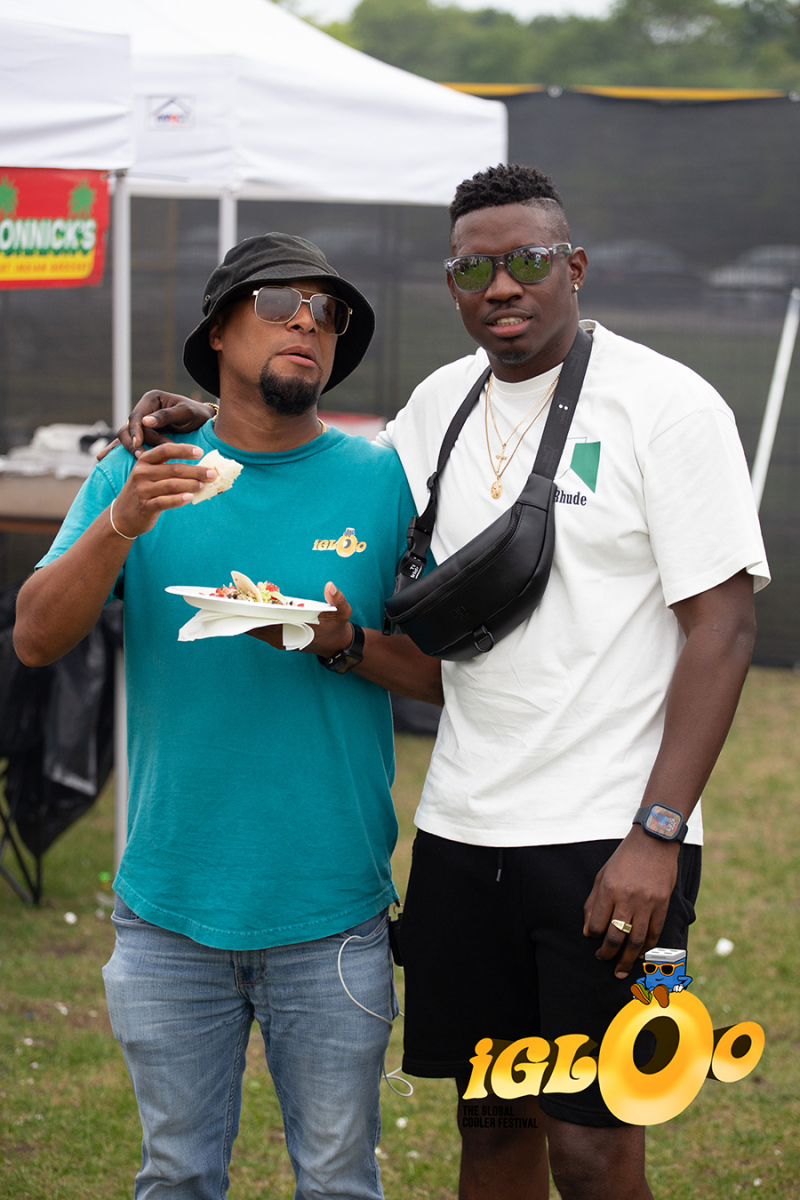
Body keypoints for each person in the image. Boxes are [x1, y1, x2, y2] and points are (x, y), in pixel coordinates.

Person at [108, 164, 769, 1200]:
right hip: (464, 835)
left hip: (607, 838)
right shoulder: (437, 406)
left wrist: (655, 834)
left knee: (593, 1143)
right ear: (452, 284)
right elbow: (307, 449)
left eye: (526, 261)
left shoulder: (666, 404)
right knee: (491, 1127)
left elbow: (722, 629)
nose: (500, 286)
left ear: (574, 267)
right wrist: (210, 407)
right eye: (472, 269)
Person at [14, 233, 442, 1200]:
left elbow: (443, 678)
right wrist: (123, 522)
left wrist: (341, 642)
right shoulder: (146, 470)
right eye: (282, 300)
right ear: (217, 330)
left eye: (329, 312)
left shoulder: (380, 480)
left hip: (333, 912)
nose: (309, 322)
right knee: (176, 1176)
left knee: (338, 1181)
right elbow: (35, 638)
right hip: (169, 909)